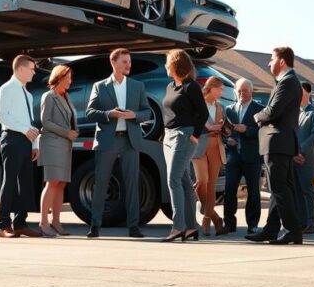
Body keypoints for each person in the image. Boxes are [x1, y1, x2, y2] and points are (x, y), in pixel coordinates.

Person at [84, 48, 153, 238]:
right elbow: (90, 112)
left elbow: (147, 112)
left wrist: (135, 116)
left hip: (130, 140)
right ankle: (95, 226)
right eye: (124, 62)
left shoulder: (137, 86)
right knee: (101, 184)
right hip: (108, 140)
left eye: (129, 62)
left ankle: (134, 227)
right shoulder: (100, 86)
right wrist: (109, 114)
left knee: (132, 184)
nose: (128, 65)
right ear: (114, 63)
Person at [246, 46, 303, 245]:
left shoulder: (288, 82)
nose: (269, 63)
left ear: (282, 61)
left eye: (271, 59)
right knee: (279, 188)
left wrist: (256, 116)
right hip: (280, 142)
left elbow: (272, 112)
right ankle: (272, 229)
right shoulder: (286, 81)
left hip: (278, 142)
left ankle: (292, 231)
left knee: (280, 189)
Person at [160, 49, 210, 242]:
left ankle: (177, 226)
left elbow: (203, 113)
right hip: (168, 136)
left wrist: (195, 135)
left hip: (184, 135)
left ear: (175, 65)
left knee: (173, 179)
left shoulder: (192, 87)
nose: (165, 66)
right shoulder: (170, 87)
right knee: (184, 181)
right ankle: (191, 227)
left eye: (167, 63)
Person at [0, 54, 42, 238]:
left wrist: (35, 143)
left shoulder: (28, 94)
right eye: (31, 69)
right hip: (12, 139)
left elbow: (29, 121)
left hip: (25, 140)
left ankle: (21, 223)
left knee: (25, 183)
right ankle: (4, 225)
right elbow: (2, 116)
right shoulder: (6, 89)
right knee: (10, 182)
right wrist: (24, 130)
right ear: (21, 69)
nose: (34, 72)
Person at [38, 65, 80, 237]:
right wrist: (66, 132)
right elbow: (45, 122)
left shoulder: (66, 96)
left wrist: (74, 131)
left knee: (61, 183)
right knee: (52, 181)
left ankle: (56, 221)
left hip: (65, 145)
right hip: (52, 143)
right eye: (68, 77)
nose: (70, 81)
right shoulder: (49, 96)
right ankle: (43, 222)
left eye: (71, 77)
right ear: (59, 77)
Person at [223, 78, 264, 234]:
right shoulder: (229, 110)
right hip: (233, 156)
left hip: (252, 157)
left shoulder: (260, 109)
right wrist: (228, 140)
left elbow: (263, 132)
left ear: (251, 91)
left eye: (244, 90)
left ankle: (252, 224)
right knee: (229, 190)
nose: (241, 93)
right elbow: (224, 132)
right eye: (239, 91)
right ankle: (229, 223)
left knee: (253, 192)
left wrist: (246, 129)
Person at [193, 76, 226, 236]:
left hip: (215, 146)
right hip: (199, 147)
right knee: (201, 182)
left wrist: (224, 128)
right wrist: (207, 127)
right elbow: (192, 125)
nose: (222, 91)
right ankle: (214, 216)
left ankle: (206, 218)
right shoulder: (198, 103)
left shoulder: (220, 107)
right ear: (211, 88)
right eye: (220, 88)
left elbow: (226, 127)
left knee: (212, 185)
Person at [295, 82, 314, 234]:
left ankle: (312, 222)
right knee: (297, 191)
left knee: (307, 191)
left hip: (306, 158)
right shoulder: (294, 112)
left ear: (308, 93)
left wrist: (300, 151)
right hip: (294, 158)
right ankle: (301, 221)